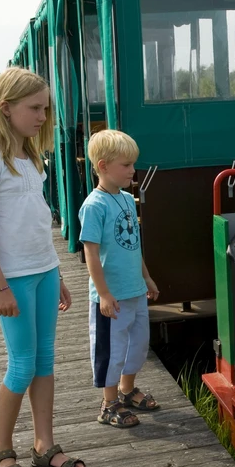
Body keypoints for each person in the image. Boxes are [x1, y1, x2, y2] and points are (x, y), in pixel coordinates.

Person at [0, 67, 89, 467]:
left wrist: (57, 271)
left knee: (44, 362)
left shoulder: (30, 157)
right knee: (21, 366)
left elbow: (37, 222)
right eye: (34, 108)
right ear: (6, 108)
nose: (42, 116)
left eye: (45, 109)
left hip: (43, 272)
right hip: (14, 279)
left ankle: (44, 446)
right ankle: (1, 449)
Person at [79, 129, 160, 428]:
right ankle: (109, 402)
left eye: (132, 164)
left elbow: (133, 244)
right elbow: (90, 252)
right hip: (111, 295)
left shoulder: (126, 199)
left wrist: (146, 277)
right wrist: (103, 293)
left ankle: (127, 390)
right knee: (111, 349)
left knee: (137, 344)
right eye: (126, 165)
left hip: (134, 290)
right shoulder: (94, 206)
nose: (132, 170)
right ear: (103, 166)